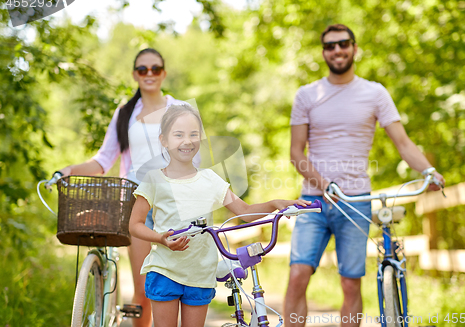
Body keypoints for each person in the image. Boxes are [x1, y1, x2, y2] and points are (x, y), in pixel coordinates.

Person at [284, 24, 445, 327]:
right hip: (313, 202)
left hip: (356, 200)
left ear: (354, 48)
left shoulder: (375, 92)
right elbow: (296, 153)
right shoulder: (307, 95)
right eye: (330, 46)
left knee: (350, 282)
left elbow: (403, 142)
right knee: (297, 275)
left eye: (343, 44)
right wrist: (325, 185)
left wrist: (428, 170)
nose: (337, 50)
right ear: (323, 53)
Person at [129, 104, 310, 327]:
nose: (187, 141)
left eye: (193, 134)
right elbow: (135, 224)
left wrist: (274, 204)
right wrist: (160, 239)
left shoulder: (210, 180)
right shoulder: (154, 179)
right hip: (165, 271)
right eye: (178, 135)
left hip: (200, 274)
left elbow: (244, 212)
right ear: (164, 140)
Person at [57, 48, 188, 327]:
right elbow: (103, 160)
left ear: (163, 73)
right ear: (135, 75)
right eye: (143, 69)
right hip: (135, 202)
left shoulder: (180, 110)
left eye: (155, 69)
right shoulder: (125, 113)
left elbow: (193, 158)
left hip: (172, 203)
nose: (149, 74)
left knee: (173, 287)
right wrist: (69, 170)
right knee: (144, 290)